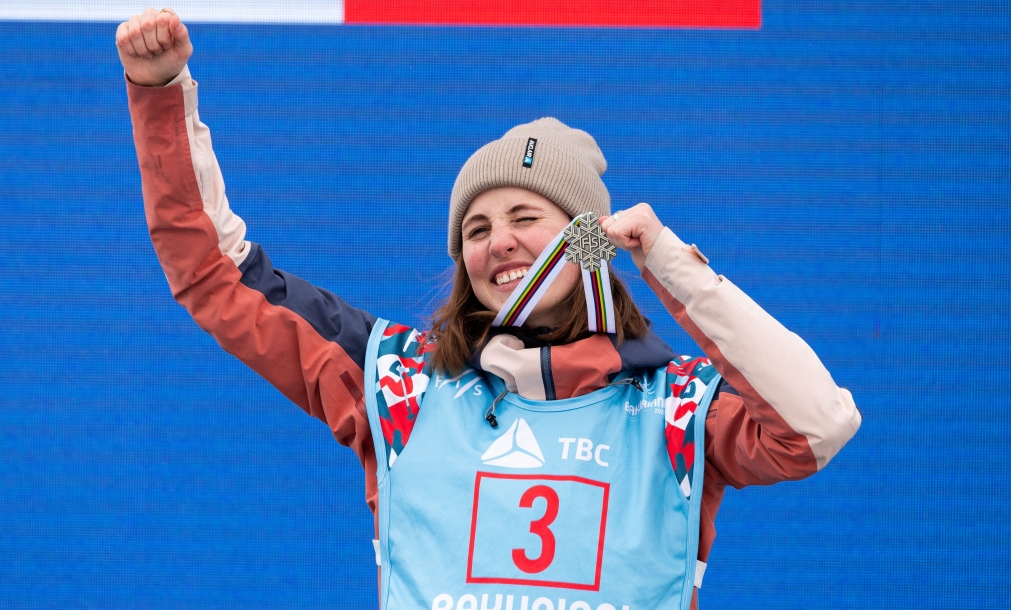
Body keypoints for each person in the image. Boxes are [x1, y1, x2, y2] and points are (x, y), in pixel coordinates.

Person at [117, 8, 861, 610]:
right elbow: (216, 275)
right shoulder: (396, 382)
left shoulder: (675, 410)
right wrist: (160, 93)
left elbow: (818, 426)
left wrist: (667, 262)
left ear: (590, 240)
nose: (499, 241)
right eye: (476, 229)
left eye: (526, 217)